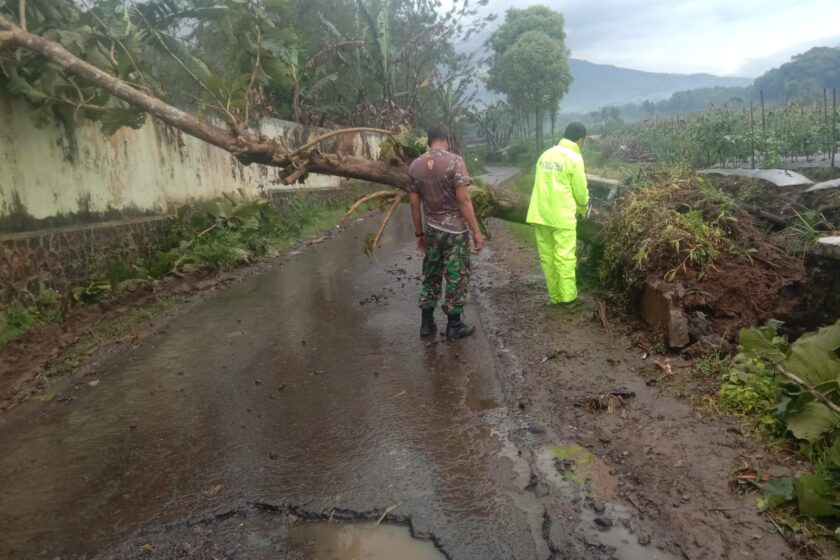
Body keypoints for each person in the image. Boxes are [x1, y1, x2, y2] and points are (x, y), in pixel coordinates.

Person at [407, 125, 484, 340]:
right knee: (456, 275)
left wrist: (419, 234)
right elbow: (463, 199)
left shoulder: (415, 165)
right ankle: (454, 325)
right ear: (446, 139)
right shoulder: (455, 161)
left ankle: (426, 323)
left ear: (428, 141)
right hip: (455, 232)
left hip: (431, 230)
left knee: (431, 274)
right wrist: (476, 231)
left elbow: (414, 205)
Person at [526, 122, 590, 307]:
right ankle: (568, 298)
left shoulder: (546, 154)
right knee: (565, 257)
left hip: (539, 214)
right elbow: (580, 191)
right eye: (583, 142)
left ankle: (555, 297)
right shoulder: (574, 158)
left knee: (547, 258)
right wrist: (583, 209)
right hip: (561, 216)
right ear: (580, 140)